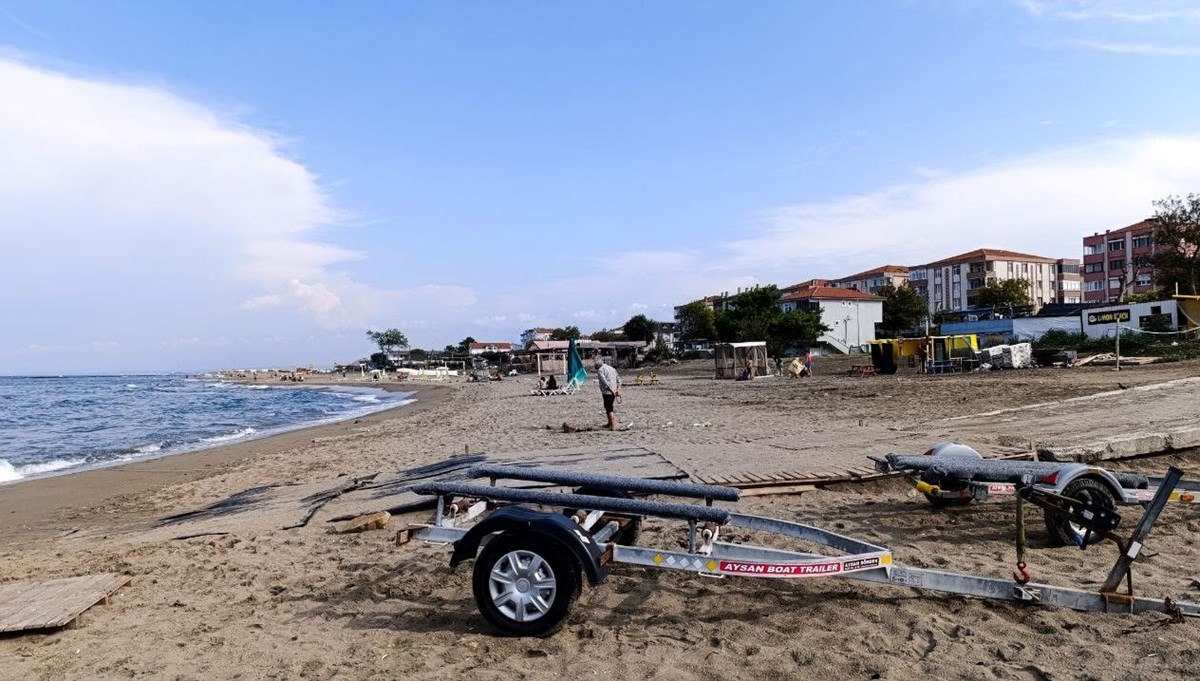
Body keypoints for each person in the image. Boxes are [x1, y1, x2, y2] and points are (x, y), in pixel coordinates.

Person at [593, 355, 622, 430]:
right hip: (614, 390)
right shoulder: (611, 368)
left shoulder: (600, 370)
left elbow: (605, 382)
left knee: (609, 408)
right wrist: (617, 389)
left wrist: (611, 389)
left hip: (607, 392)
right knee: (609, 407)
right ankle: (610, 423)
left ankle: (613, 425)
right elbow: (619, 379)